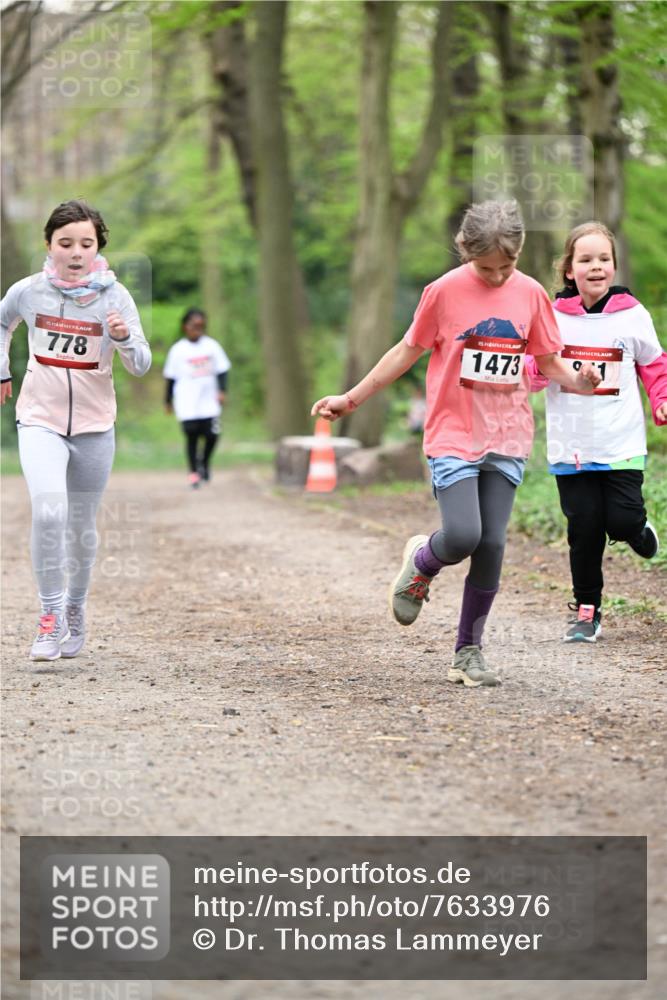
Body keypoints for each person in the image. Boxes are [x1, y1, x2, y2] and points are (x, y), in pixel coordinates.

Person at [312, 200, 600, 688]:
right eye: (484, 267)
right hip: (453, 432)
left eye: (505, 267)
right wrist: (352, 399)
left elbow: (549, 362)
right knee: (463, 535)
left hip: (507, 433)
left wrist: (581, 378)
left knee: (491, 544)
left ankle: (468, 651)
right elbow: (406, 350)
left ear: (520, 253)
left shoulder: (531, 294)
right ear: (465, 252)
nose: (494, 276)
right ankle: (423, 561)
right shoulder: (443, 292)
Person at [0, 199, 151, 661]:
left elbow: (142, 364)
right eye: (65, 243)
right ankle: (48, 617)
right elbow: (2, 322)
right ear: (49, 245)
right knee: (49, 513)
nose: (76, 252)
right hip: (39, 419)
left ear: (98, 247)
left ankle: (74, 607)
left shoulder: (116, 296)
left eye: (86, 243)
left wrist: (123, 338)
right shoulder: (28, 291)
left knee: (81, 526)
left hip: (93, 425)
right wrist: (2, 368)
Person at [526, 221, 667, 643]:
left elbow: (655, 366)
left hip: (620, 439)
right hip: (572, 444)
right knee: (584, 528)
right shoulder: (551, 317)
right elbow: (535, 369)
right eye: (585, 259)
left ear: (614, 266)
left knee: (621, 520)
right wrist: (535, 373)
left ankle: (639, 532)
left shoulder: (633, 314)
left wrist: (661, 401)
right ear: (569, 269)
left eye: (603, 259)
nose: (595, 266)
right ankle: (587, 609)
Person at [163, 309, 231, 489]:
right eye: (194, 326)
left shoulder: (211, 346)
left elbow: (222, 369)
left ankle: (205, 462)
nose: (198, 329)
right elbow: (170, 377)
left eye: (201, 326)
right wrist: (167, 400)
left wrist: (222, 390)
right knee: (191, 436)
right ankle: (194, 472)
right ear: (186, 327)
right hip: (187, 402)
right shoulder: (178, 350)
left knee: (212, 435)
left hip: (208, 400)